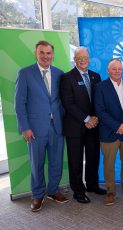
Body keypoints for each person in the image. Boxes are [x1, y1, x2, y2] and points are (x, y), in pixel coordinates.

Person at [15, 40, 68, 212]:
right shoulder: (25, 73)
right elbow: (19, 103)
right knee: (36, 164)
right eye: (42, 53)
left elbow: (63, 101)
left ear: (53, 55)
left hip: (57, 127)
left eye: (48, 53)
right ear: (36, 54)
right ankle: (38, 195)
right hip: (35, 129)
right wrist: (25, 127)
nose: (46, 56)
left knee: (56, 162)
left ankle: (53, 191)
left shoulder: (60, 74)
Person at [60, 47, 106, 204]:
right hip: (75, 127)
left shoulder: (96, 76)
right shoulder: (67, 77)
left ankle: (92, 185)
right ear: (75, 59)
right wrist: (86, 119)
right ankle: (78, 191)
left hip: (94, 126)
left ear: (89, 58)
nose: (83, 60)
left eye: (85, 57)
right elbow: (68, 103)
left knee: (93, 157)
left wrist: (95, 118)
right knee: (76, 161)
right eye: (79, 57)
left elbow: (100, 101)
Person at [94, 59, 123, 206]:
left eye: (120, 69)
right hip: (109, 133)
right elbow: (100, 111)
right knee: (109, 164)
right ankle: (111, 191)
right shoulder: (100, 87)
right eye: (114, 69)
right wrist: (116, 126)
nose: (117, 71)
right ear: (108, 70)